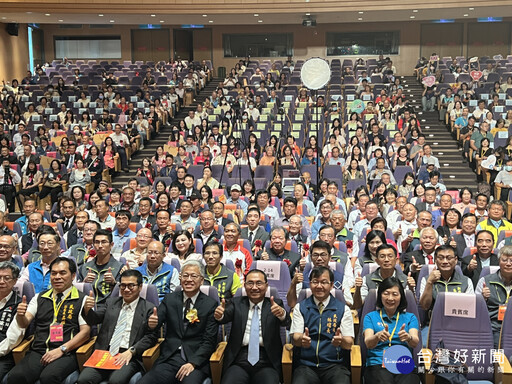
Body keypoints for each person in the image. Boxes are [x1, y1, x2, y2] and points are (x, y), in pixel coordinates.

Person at [8, 257, 91, 384]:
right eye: (53, 273)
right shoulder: (39, 297)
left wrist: (62, 349)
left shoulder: (82, 299)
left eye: (62, 273)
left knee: (49, 377)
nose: (57, 277)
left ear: (73, 275)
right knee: (16, 376)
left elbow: (85, 333)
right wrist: (20, 315)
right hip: (38, 351)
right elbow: (25, 323)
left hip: (66, 352)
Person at [140, 260, 219, 384]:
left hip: (195, 360)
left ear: (202, 280)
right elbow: (155, 323)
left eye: (193, 276)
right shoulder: (170, 299)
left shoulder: (210, 304)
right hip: (170, 358)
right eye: (185, 275)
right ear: (180, 278)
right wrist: (151, 324)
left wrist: (193, 363)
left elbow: (209, 341)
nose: (189, 279)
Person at [77, 270, 159, 384]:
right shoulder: (111, 303)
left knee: (116, 381)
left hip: (128, 355)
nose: (126, 289)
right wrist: (87, 309)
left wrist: (132, 351)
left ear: (140, 287)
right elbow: (93, 319)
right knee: (83, 379)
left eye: (131, 286)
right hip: (105, 353)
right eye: (123, 286)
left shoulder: (148, 308)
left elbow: (151, 337)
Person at [214, 269, 288, 384]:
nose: (254, 287)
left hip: (267, 360)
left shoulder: (275, 304)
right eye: (250, 283)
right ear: (244, 285)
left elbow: (287, 323)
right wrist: (220, 315)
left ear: (266, 286)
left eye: (259, 283)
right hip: (239, 359)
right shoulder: (236, 303)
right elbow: (225, 316)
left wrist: (282, 314)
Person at [290, 266, 354, 384]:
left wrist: (341, 341)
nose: (319, 286)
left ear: (331, 285)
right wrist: (301, 340)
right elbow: (296, 338)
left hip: (335, 366)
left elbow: (349, 343)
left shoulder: (343, 309)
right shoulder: (301, 307)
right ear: (310, 284)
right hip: (306, 366)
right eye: (315, 282)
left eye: (324, 282)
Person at [363, 277, 420, 384]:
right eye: (386, 293)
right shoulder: (370, 317)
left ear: (401, 297)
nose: (390, 298)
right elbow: (368, 343)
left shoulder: (410, 317)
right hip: (378, 363)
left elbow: (415, 342)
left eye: (395, 294)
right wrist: (377, 337)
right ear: (380, 295)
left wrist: (408, 337)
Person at [353, 244, 414, 309]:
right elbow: (357, 306)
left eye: (390, 256)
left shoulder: (405, 280)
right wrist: (358, 289)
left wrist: (411, 289)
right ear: (377, 261)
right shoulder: (367, 279)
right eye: (382, 256)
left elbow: (412, 306)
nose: (386, 260)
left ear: (396, 261)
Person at [476, 245, 512, 348]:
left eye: (511, 260)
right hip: (493, 327)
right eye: (505, 260)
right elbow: (475, 309)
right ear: (499, 261)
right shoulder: (485, 281)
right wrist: (482, 299)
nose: (508, 264)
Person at [78, 229, 124, 307]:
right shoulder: (84, 267)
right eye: (96, 242)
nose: (99, 246)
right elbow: (77, 291)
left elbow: (125, 293)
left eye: (103, 242)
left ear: (111, 245)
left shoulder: (120, 268)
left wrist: (114, 284)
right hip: (87, 306)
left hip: (109, 307)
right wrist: (84, 284)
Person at [0, 261, 25, 378]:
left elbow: (13, 339)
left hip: (4, 355)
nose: (1, 281)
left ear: (15, 281)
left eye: (6, 278)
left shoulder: (18, 304)